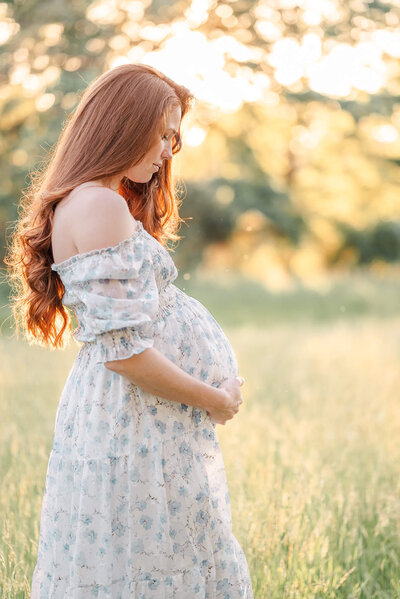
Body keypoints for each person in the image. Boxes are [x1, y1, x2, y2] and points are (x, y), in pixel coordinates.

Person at [6, 63, 254, 598]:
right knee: (149, 562)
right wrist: (214, 398)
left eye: (174, 137)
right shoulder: (98, 205)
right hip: (135, 420)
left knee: (144, 557)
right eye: (162, 134)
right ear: (123, 124)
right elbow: (124, 353)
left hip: (140, 419)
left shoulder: (96, 199)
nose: (169, 151)